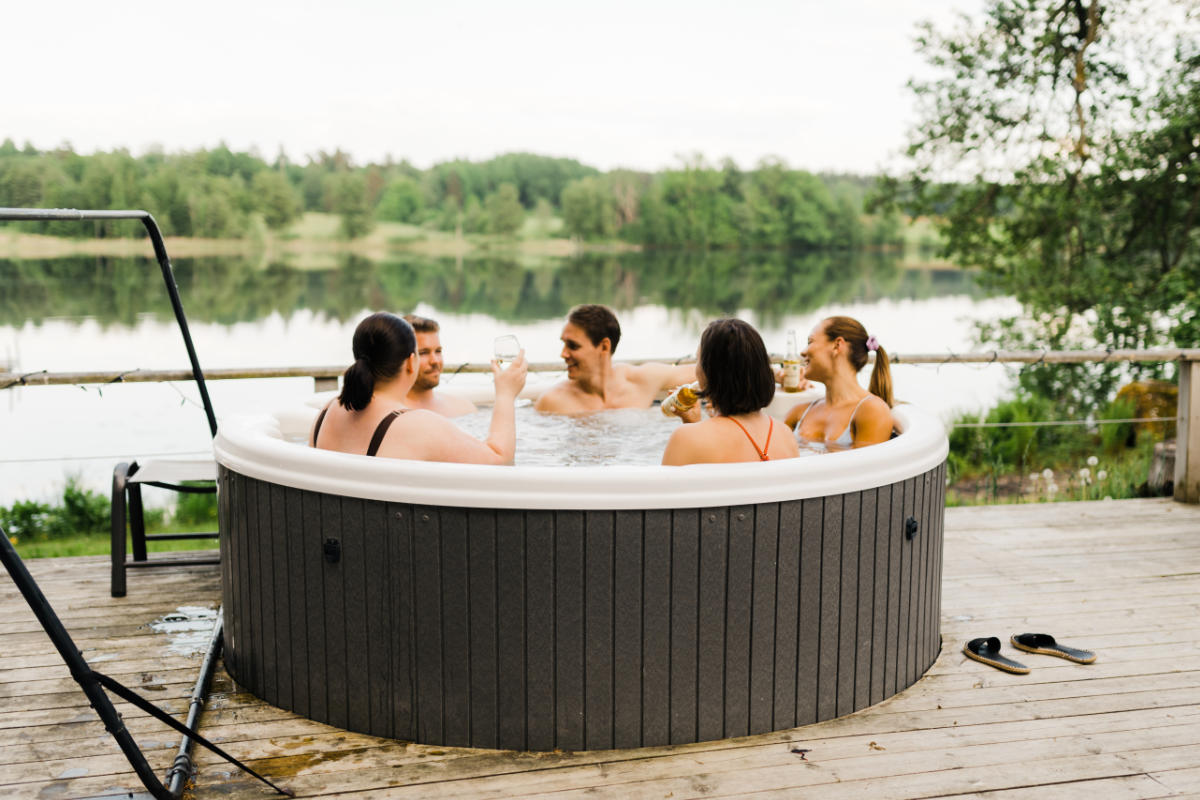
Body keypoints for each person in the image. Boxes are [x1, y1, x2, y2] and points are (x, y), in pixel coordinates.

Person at [311, 312, 527, 464]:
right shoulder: (418, 424)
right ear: (410, 362)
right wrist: (505, 394)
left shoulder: (326, 412)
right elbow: (500, 461)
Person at [661, 318, 800, 466]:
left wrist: (692, 427)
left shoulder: (685, 438)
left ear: (711, 373)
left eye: (698, 360)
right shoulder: (786, 435)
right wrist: (693, 424)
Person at [534, 304, 697, 414]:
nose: (563, 354)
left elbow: (702, 373)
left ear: (604, 347)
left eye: (573, 346)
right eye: (564, 344)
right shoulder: (553, 402)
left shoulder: (642, 380)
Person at [784, 316, 893, 450]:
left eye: (810, 342)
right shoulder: (798, 413)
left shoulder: (873, 411)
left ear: (837, 345)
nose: (802, 352)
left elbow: (868, 464)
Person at [402, 314, 476, 417]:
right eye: (423, 353)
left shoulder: (464, 407)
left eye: (438, 351)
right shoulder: (394, 414)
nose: (435, 361)